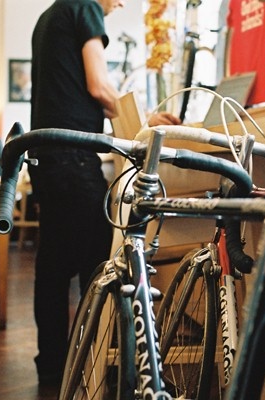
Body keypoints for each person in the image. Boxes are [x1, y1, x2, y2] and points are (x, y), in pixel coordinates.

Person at [29, 0, 180, 386]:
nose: (122, 2)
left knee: (53, 267)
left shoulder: (51, 15)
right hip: (74, 159)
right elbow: (99, 86)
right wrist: (145, 120)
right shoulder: (85, 8)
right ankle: (94, 366)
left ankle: (53, 369)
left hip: (48, 157)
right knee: (100, 265)